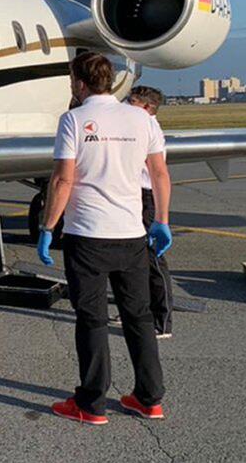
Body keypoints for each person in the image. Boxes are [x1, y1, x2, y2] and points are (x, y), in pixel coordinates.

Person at [36, 53, 173, 425]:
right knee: (139, 317)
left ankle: (92, 402)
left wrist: (48, 228)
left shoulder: (74, 120)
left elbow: (63, 180)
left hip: (88, 238)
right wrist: (160, 220)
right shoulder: (141, 119)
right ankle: (149, 398)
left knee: (92, 320)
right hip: (132, 235)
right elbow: (159, 173)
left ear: (80, 83)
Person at [128, 86, 174, 338]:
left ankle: (162, 319)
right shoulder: (139, 126)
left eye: (132, 101)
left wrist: (161, 217)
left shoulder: (149, 129)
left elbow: (158, 173)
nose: (126, 104)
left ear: (147, 107)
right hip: (137, 196)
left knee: (153, 259)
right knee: (137, 258)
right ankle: (145, 311)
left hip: (147, 197)